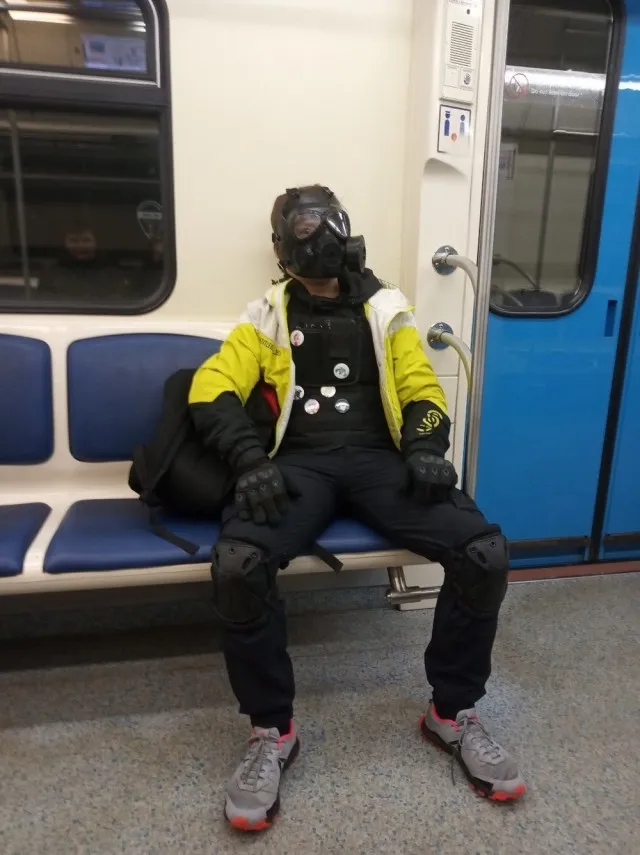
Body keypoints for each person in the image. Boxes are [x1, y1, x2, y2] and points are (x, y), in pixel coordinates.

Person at [189, 185, 526, 832]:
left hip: (378, 460)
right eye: (305, 228)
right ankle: (271, 730)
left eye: (330, 224)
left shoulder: (385, 307)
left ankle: (451, 713)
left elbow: (422, 387)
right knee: (238, 564)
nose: (321, 239)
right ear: (282, 246)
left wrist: (425, 447)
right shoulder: (266, 313)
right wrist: (248, 459)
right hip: (299, 464)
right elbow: (212, 386)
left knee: (483, 552)